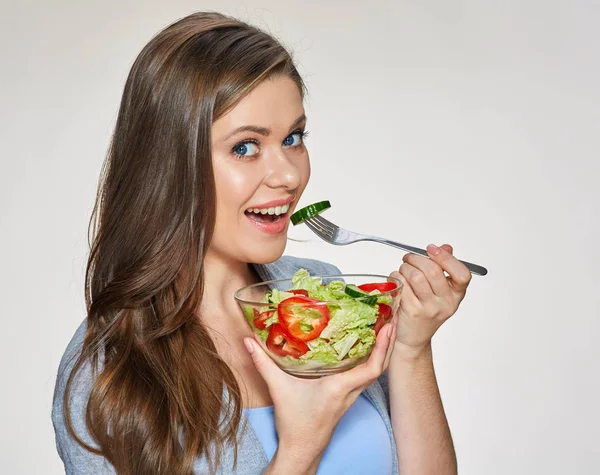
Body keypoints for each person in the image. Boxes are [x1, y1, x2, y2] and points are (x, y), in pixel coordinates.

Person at [52, 11, 472, 475]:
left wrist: (411, 350)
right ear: (170, 165)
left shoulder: (321, 298)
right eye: (245, 147)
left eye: (293, 138)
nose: (289, 175)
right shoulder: (107, 374)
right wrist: (300, 448)